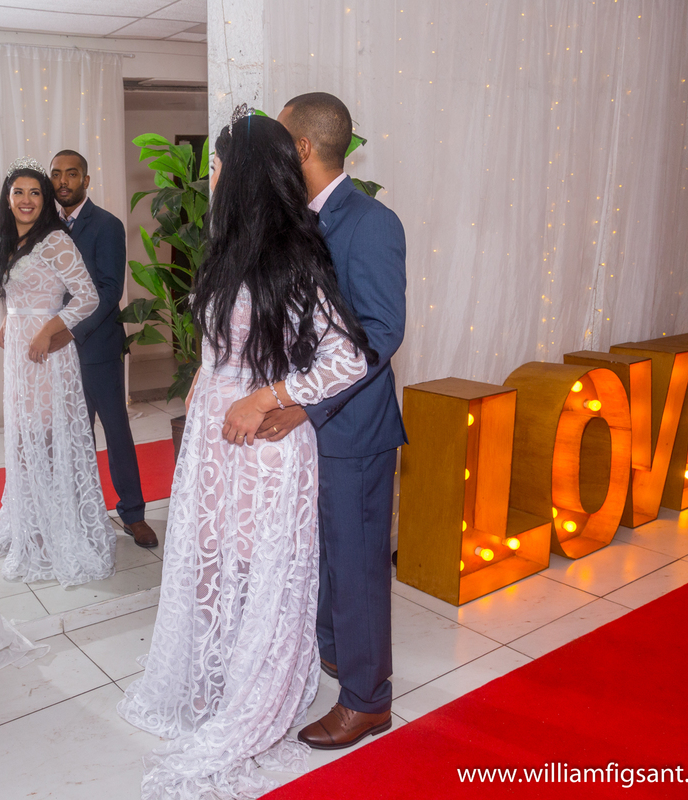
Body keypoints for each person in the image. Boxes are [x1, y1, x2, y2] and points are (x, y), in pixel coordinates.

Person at [117, 109, 375, 799]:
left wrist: (267, 397)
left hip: (263, 446)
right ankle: (214, 678)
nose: (212, 173)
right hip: (212, 438)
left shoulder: (296, 254)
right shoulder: (225, 248)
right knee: (212, 558)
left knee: (260, 569)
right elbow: (216, 345)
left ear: (246, 173)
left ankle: (254, 695)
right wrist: (209, 388)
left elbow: (349, 357)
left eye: (220, 162)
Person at [256, 92, 407, 750]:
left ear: (303, 149)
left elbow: (379, 335)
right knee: (324, 562)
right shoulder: (299, 220)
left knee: (357, 568)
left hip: (353, 432)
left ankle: (368, 700)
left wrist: (301, 405)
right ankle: (342, 655)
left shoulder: (370, 222)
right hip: (309, 427)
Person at [0, 156, 116, 587]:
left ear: (45, 201)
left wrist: (50, 329)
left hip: (46, 355)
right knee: (23, 439)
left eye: (35, 193)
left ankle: (58, 531)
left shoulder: (56, 240)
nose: (27, 200)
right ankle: (31, 523)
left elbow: (88, 297)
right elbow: (19, 290)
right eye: (19, 192)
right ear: (7, 199)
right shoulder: (10, 242)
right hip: (18, 358)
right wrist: (10, 318)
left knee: (44, 437)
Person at [45, 149, 157, 548]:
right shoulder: (45, 228)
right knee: (71, 435)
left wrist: (71, 331)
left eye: (71, 174)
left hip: (97, 349)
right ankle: (80, 511)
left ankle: (133, 513)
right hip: (56, 354)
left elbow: (111, 290)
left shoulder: (107, 225)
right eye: (56, 174)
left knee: (116, 431)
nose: (63, 181)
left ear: (86, 180)